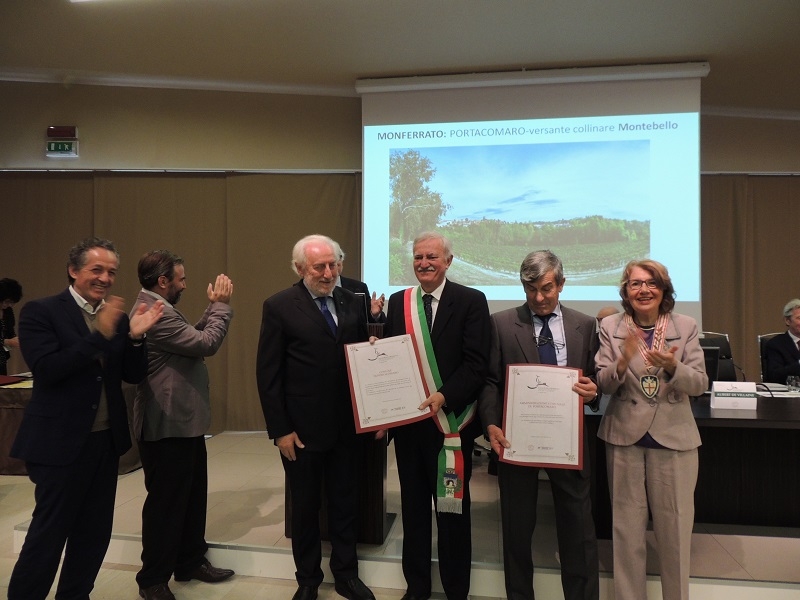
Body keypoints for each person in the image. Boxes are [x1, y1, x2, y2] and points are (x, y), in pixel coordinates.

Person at [7, 237, 164, 600]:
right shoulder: (40, 311)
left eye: (111, 272)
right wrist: (100, 334)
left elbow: (132, 374)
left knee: (93, 536)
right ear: (74, 270)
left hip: (104, 443)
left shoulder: (117, 316)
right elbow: (48, 369)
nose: (105, 278)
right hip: (58, 445)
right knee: (48, 535)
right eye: (96, 269)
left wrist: (136, 339)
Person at [256, 234, 375, 600]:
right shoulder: (278, 305)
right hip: (302, 431)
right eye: (319, 267)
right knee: (305, 508)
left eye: (334, 264)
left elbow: (365, 351)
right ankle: (308, 580)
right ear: (299, 269)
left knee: (345, 502)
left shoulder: (356, 294)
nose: (329, 273)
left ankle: (346, 575)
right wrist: (281, 430)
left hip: (348, 427)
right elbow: (268, 374)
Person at [478, 250, 599, 600]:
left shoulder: (585, 324)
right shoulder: (501, 323)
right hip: (517, 440)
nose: (539, 298)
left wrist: (594, 392)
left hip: (569, 442)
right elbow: (489, 381)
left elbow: (596, 379)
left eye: (546, 288)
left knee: (578, 531)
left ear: (561, 284)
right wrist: (490, 424)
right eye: (530, 289)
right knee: (516, 533)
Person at [383, 231, 490, 600]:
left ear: (448, 261)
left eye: (431, 257)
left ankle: (456, 589)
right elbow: (391, 358)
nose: (424, 263)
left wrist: (444, 396)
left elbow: (477, 365)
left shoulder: (471, 300)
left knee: (452, 514)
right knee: (413, 512)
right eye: (417, 257)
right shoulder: (400, 302)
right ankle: (417, 587)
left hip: (451, 428)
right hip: (411, 429)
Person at [595, 259, 707, 600]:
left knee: (674, 532)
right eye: (635, 284)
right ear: (626, 292)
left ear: (664, 289)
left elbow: (700, 384)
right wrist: (622, 362)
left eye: (651, 283)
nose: (643, 290)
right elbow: (602, 382)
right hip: (624, 436)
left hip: (674, 438)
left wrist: (674, 366)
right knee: (626, 532)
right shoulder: (611, 326)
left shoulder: (684, 325)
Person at [132, 250, 235, 600]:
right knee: (166, 505)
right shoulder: (151, 311)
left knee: (191, 497)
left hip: (182, 423)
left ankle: (190, 561)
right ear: (164, 281)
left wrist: (210, 310)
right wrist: (220, 306)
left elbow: (190, 338)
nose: (185, 284)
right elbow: (206, 342)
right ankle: (152, 580)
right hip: (166, 425)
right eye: (182, 278)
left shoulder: (161, 308)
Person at [333, 243, 386, 323]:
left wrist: (374, 314)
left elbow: (370, 321)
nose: (337, 264)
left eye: (339, 259)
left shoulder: (358, 288)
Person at [763, 298, 800, 384]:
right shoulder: (775, 344)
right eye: (799, 318)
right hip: (789, 394)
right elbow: (774, 376)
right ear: (787, 321)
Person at [0, 277, 23, 375]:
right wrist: (6, 342)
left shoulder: (7, 311)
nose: (9, 305)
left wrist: (16, 339)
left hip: (2, 359)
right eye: (7, 301)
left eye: (12, 302)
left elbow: (10, 332)